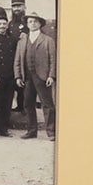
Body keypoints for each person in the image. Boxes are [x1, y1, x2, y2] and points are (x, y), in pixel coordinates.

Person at [14, 11, 57, 140]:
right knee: (28, 103)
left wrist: (51, 76)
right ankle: (31, 131)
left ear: (40, 24)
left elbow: (53, 60)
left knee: (47, 104)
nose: (32, 24)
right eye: (30, 22)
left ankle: (51, 132)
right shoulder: (22, 41)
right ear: (27, 24)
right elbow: (17, 60)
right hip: (27, 77)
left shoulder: (48, 40)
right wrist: (18, 76)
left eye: (35, 22)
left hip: (42, 77)